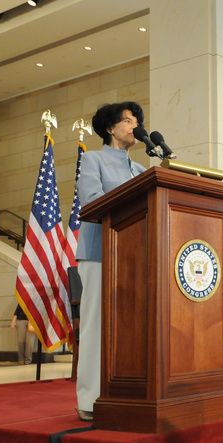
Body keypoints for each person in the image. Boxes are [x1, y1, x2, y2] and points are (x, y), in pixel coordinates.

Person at [75, 101, 147, 422]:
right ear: (110, 127)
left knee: (132, 326)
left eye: (136, 121)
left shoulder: (142, 171)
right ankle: (89, 398)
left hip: (135, 257)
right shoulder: (92, 160)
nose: (134, 126)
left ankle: (127, 390)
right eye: (128, 121)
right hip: (99, 251)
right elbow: (91, 202)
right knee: (95, 325)